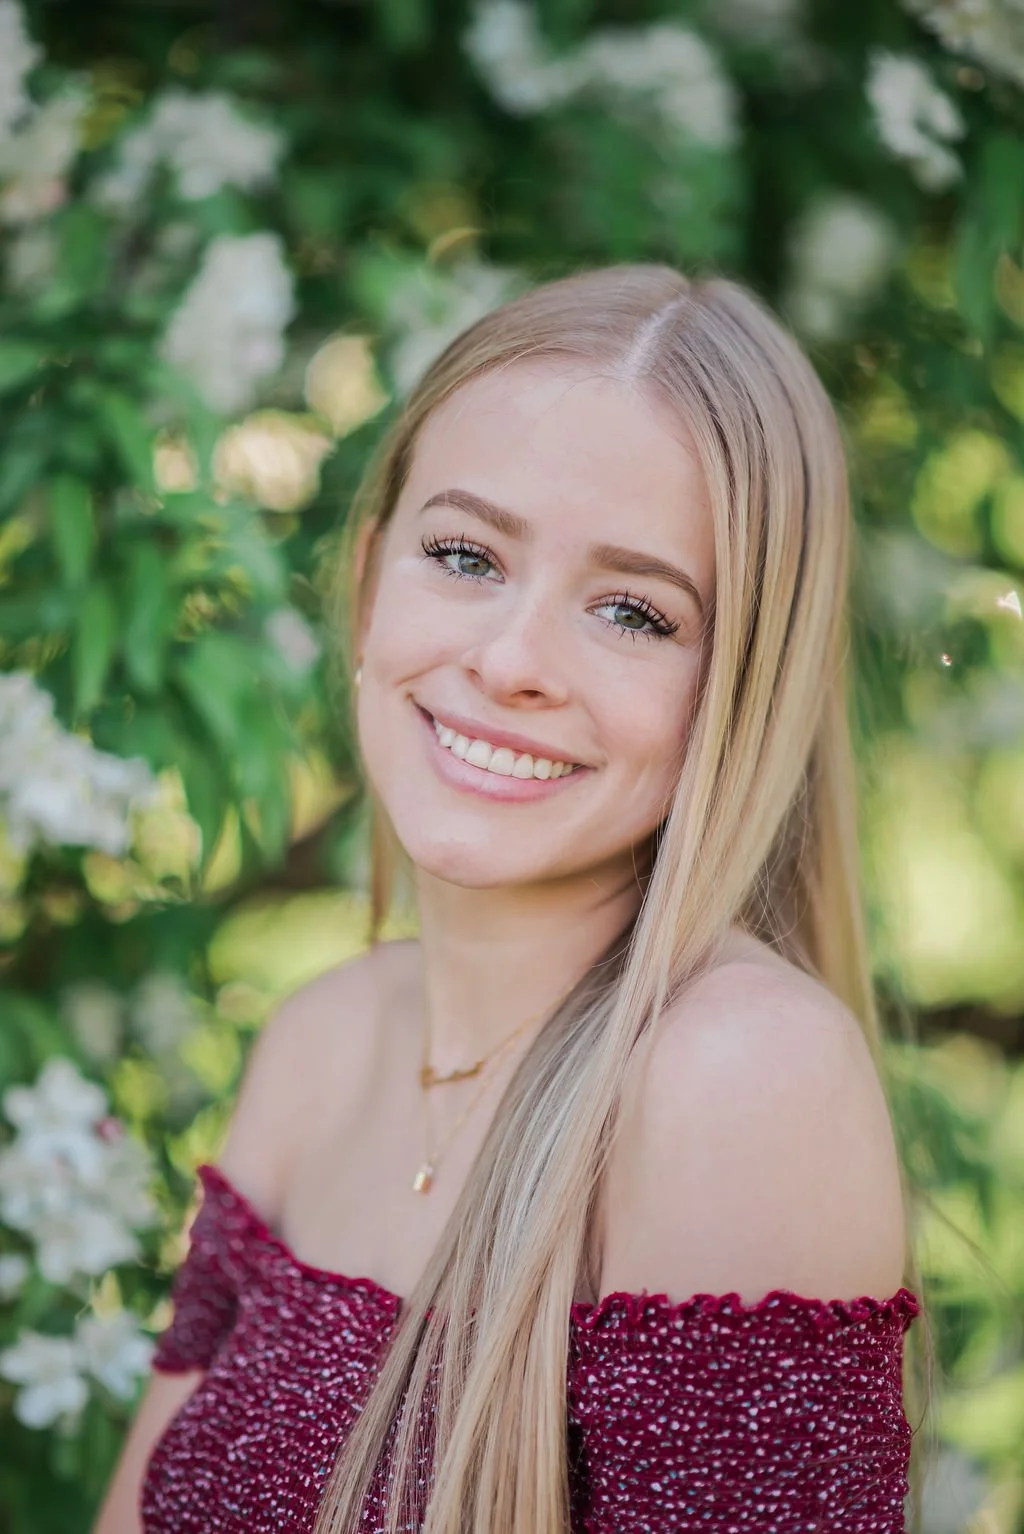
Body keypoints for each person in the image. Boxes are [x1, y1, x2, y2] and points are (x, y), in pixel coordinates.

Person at [94, 264, 925, 1534]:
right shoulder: (320, 1042)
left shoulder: (737, 1080)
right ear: (372, 580)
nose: (510, 660)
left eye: (633, 611)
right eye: (466, 554)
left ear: (739, 689)